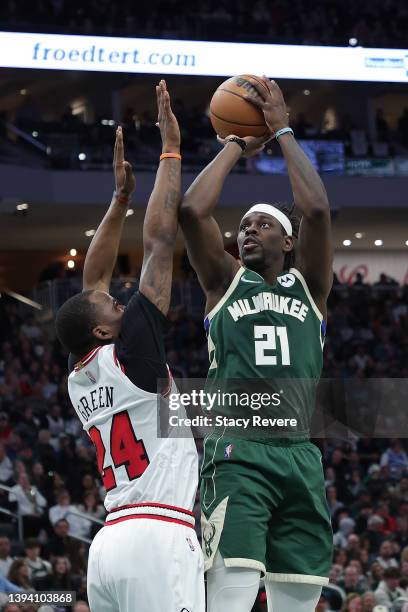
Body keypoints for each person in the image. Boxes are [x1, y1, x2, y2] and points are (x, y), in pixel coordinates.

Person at [180, 77, 333, 612]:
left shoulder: (310, 285)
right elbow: (192, 213)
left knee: (299, 600)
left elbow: (316, 210)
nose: (247, 231)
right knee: (231, 599)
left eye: (261, 225)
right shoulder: (223, 282)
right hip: (238, 454)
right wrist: (234, 146)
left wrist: (283, 129)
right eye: (243, 226)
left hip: (301, 456)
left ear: (287, 241)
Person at [55, 81, 204, 612]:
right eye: (114, 308)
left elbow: (90, 286)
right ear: (102, 331)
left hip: (110, 545)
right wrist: (170, 151)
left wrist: (119, 201)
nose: (121, 302)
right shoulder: (133, 356)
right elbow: (161, 239)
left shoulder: (80, 376)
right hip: (158, 538)